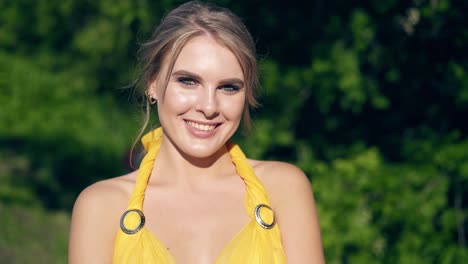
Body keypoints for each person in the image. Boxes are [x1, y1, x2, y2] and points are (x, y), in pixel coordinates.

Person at [68, 1, 325, 263]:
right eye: (188, 81)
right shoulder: (102, 206)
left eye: (228, 87)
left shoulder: (283, 188)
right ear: (152, 84)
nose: (209, 106)